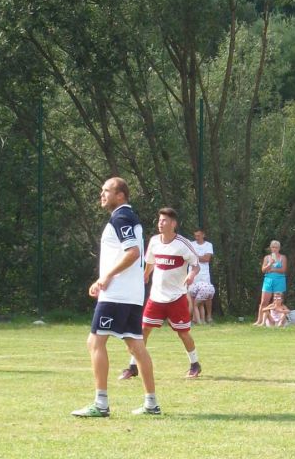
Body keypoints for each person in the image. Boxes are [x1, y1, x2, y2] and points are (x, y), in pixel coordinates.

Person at [72, 177, 159, 417]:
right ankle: (151, 403)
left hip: (117, 295)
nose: (102, 194)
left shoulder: (120, 218)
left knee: (95, 342)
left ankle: (101, 404)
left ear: (120, 195)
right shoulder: (129, 217)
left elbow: (133, 252)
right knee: (136, 346)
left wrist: (106, 276)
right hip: (131, 294)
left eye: (106, 191)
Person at [120, 206, 203, 380]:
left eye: (164, 220)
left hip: (176, 297)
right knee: (143, 330)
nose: (160, 223)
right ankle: (133, 367)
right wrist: (145, 275)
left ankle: (195, 364)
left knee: (183, 333)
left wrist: (191, 275)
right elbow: (150, 262)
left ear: (173, 224)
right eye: (159, 220)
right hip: (156, 297)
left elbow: (196, 265)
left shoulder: (182, 244)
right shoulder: (154, 241)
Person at [255, 240, 287, 326]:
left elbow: (283, 270)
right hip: (268, 280)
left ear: (279, 248)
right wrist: (270, 264)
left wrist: (272, 269)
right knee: (263, 302)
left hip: (279, 280)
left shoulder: (283, 257)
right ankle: (260, 321)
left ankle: (279, 321)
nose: (274, 249)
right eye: (273, 247)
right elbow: (263, 270)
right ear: (270, 248)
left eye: (276, 247)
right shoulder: (267, 258)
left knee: (278, 301)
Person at [188, 227, 215, 325]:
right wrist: (199, 257)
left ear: (203, 235)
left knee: (207, 296)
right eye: (195, 236)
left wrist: (194, 257)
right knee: (192, 295)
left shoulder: (208, 245)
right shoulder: (191, 244)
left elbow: (207, 259)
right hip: (193, 273)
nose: (197, 237)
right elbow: (188, 257)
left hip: (204, 274)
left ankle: (209, 317)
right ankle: (193, 318)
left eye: (198, 236)